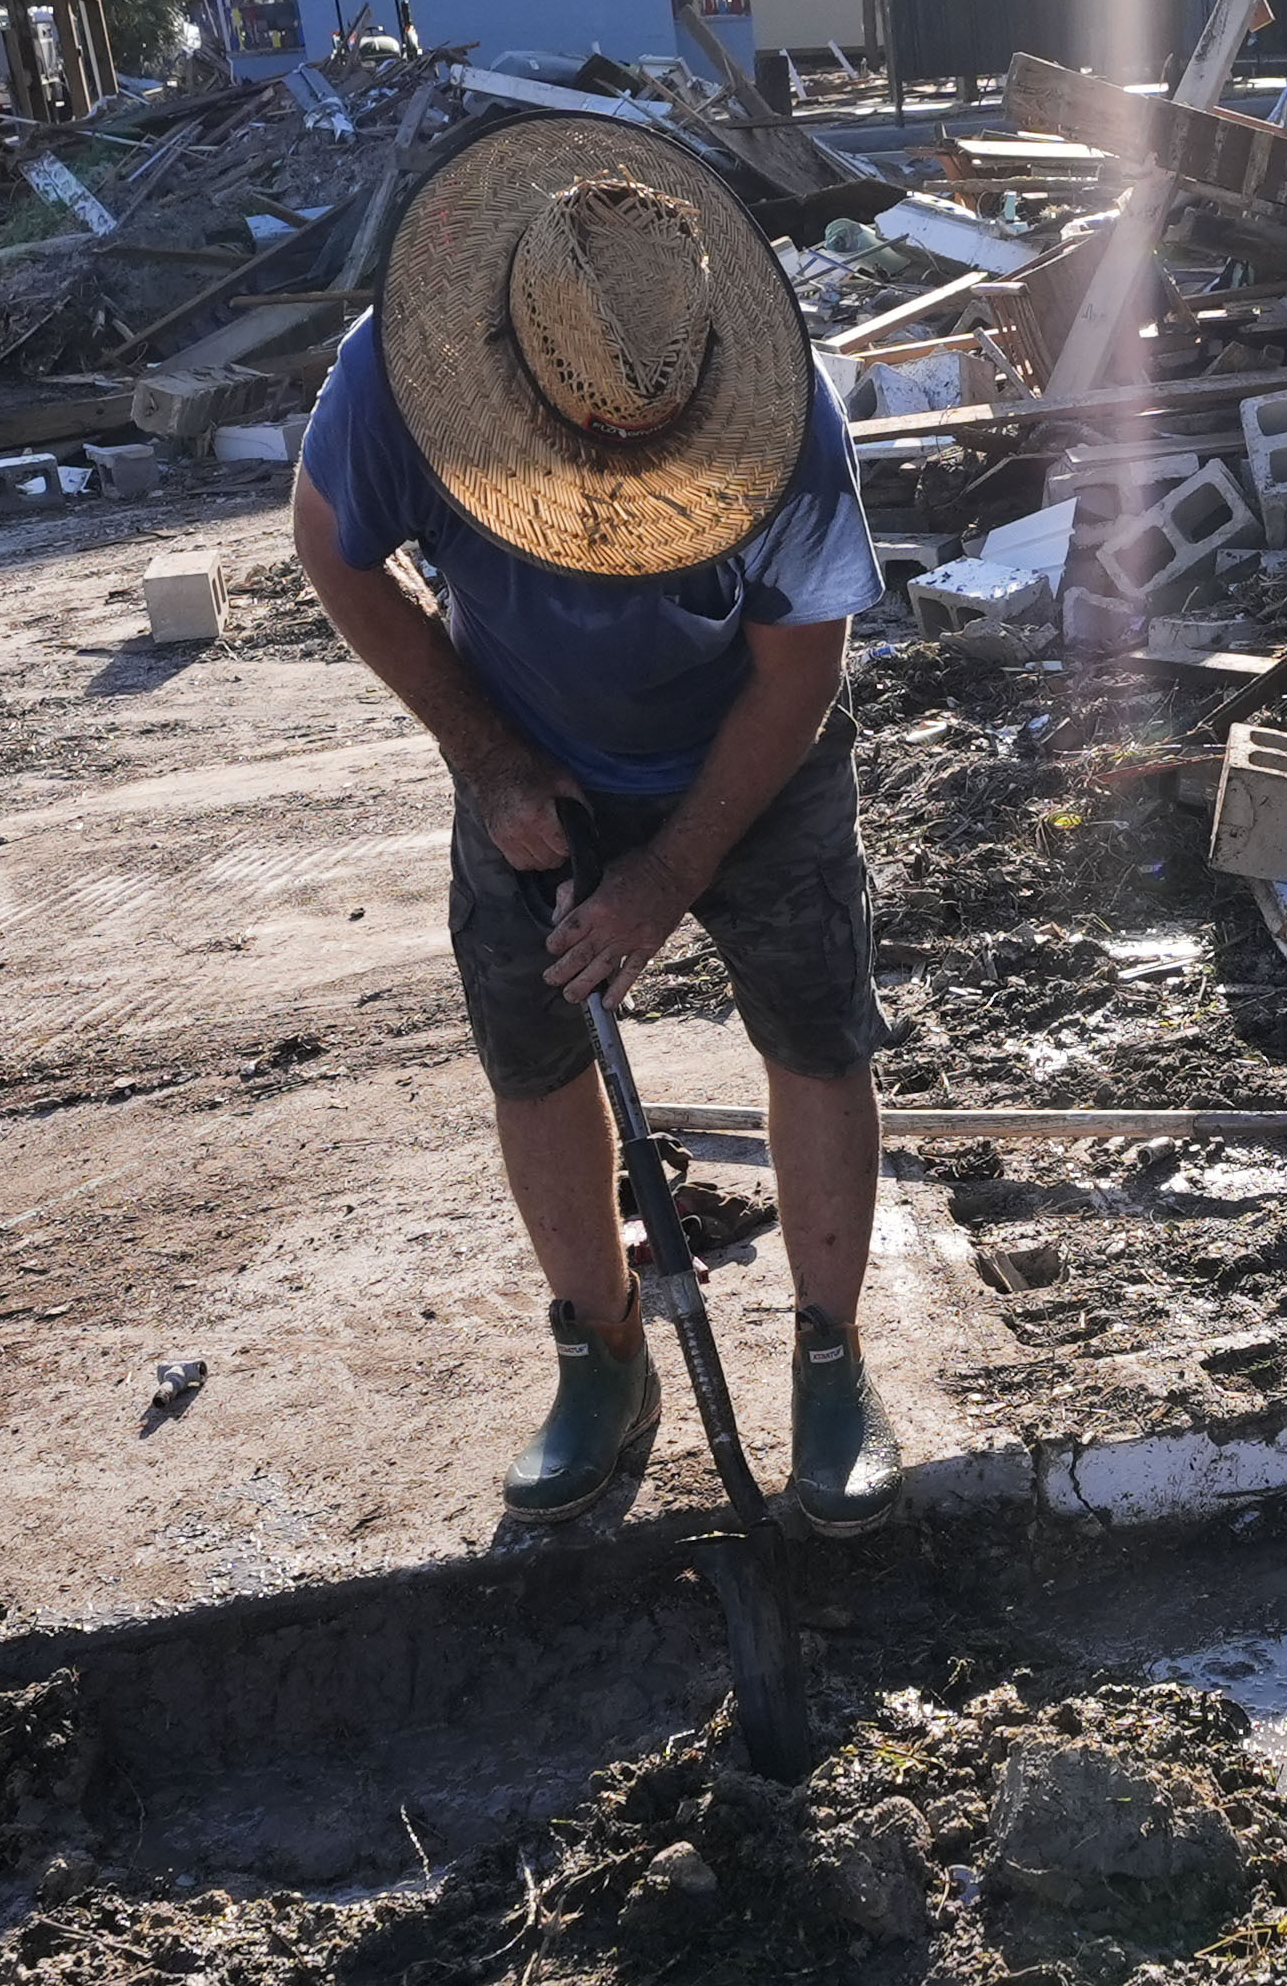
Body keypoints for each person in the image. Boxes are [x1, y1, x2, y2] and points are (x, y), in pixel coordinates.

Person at [286, 114, 901, 1533]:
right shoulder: (401, 377)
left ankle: (829, 1358)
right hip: (528, 749)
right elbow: (333, 548)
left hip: (751, 752)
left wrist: (673, 873)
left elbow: (799, 672)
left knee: (817, 1032)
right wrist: (492, 760)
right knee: (533, 1045)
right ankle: (604, 1358)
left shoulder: (788, 420)